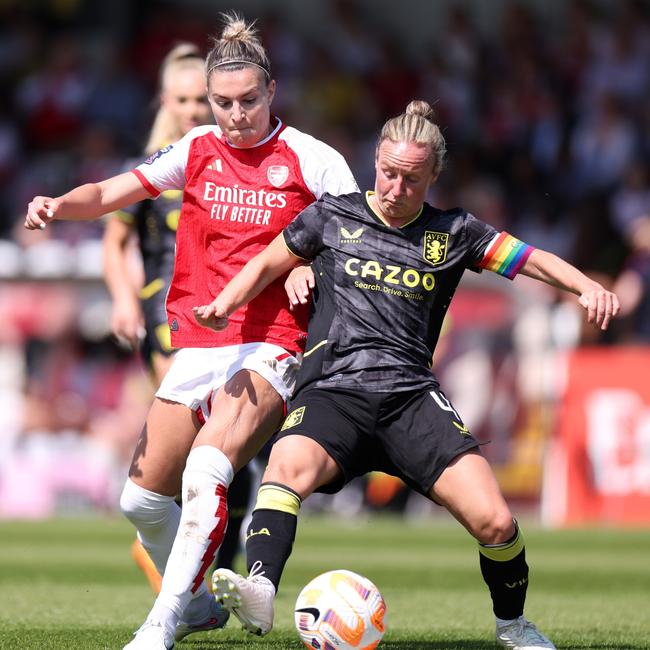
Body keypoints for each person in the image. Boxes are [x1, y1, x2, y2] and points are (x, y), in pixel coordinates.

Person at [194, 100, 620, 650]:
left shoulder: (453, 232)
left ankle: (514, 625)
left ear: (433, 177)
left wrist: (585, 286)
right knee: (285, 466)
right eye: (388, 173)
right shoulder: (332, 216)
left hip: (410, 399)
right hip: (334, 392)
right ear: (375, 160)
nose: (395, 189)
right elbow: (266, 263)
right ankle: (260, 588)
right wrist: (224, 304)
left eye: (411, 180)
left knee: (495, 524)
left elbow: (528, 257)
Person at [24, 12, 358, 650]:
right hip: (199, 342)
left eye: (249, 101)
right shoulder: (195, 149)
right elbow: (113, 193)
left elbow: (354, 242)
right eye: (223, 103)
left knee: (209, 467)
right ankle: (202, 602)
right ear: (209, 101)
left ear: (272, 92)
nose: (237, 115)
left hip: (272, 343)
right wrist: (58, 204)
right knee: (140, 503)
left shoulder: (315, 161)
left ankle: (162, 623)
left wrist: (306, 266)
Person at [102, 42, 255, 595]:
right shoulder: (152, 166)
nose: (194, 109)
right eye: (185, 99)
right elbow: (114, 242)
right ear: (166, 99)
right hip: (165, 310)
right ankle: (164, 544)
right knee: (197, 434)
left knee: (228, 448)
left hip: (224, 311)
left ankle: (215, 561)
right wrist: (123, 299)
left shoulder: (227, 160)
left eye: (201, 99)